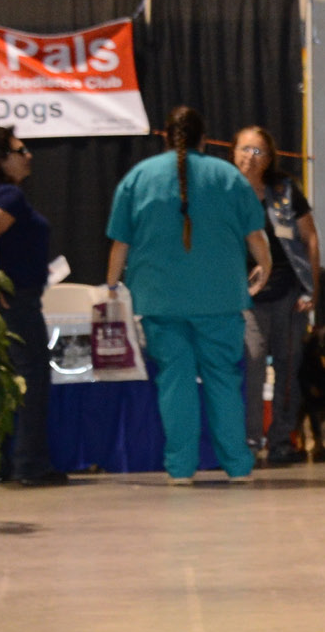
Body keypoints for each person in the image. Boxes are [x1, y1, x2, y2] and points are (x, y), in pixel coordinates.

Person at [104, 106, 271, 484]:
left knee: (174, 381)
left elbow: (119, 244)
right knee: (223, 380)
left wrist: (112, 287)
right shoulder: (228, 176)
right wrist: (265, 268)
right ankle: (237, 466)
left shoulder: (139, 177)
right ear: (203, 139)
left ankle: (180, 468)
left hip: (161, 300)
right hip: (221, 299)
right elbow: (256, 238)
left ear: (166, 136)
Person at [0, 126, 67, 486]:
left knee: (3, 385)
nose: (29, 155)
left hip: (8, 302)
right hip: (14, 303)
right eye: (21, 150)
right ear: (3, 160)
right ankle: (29, 465)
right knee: (32, 379)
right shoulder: (8, 196)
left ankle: (2, 464)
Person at [231, 126, 319, 466]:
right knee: (251, 364)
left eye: (258, 152)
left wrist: (312, 288)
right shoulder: (223, 190)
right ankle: (250, 441)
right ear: (233, 152)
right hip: (243, 297)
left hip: (287, 293)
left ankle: (282, 440)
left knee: (288, 366)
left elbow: (309, 238)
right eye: (244, 149)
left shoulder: (283, 190)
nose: (249, 158)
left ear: (270, 158)